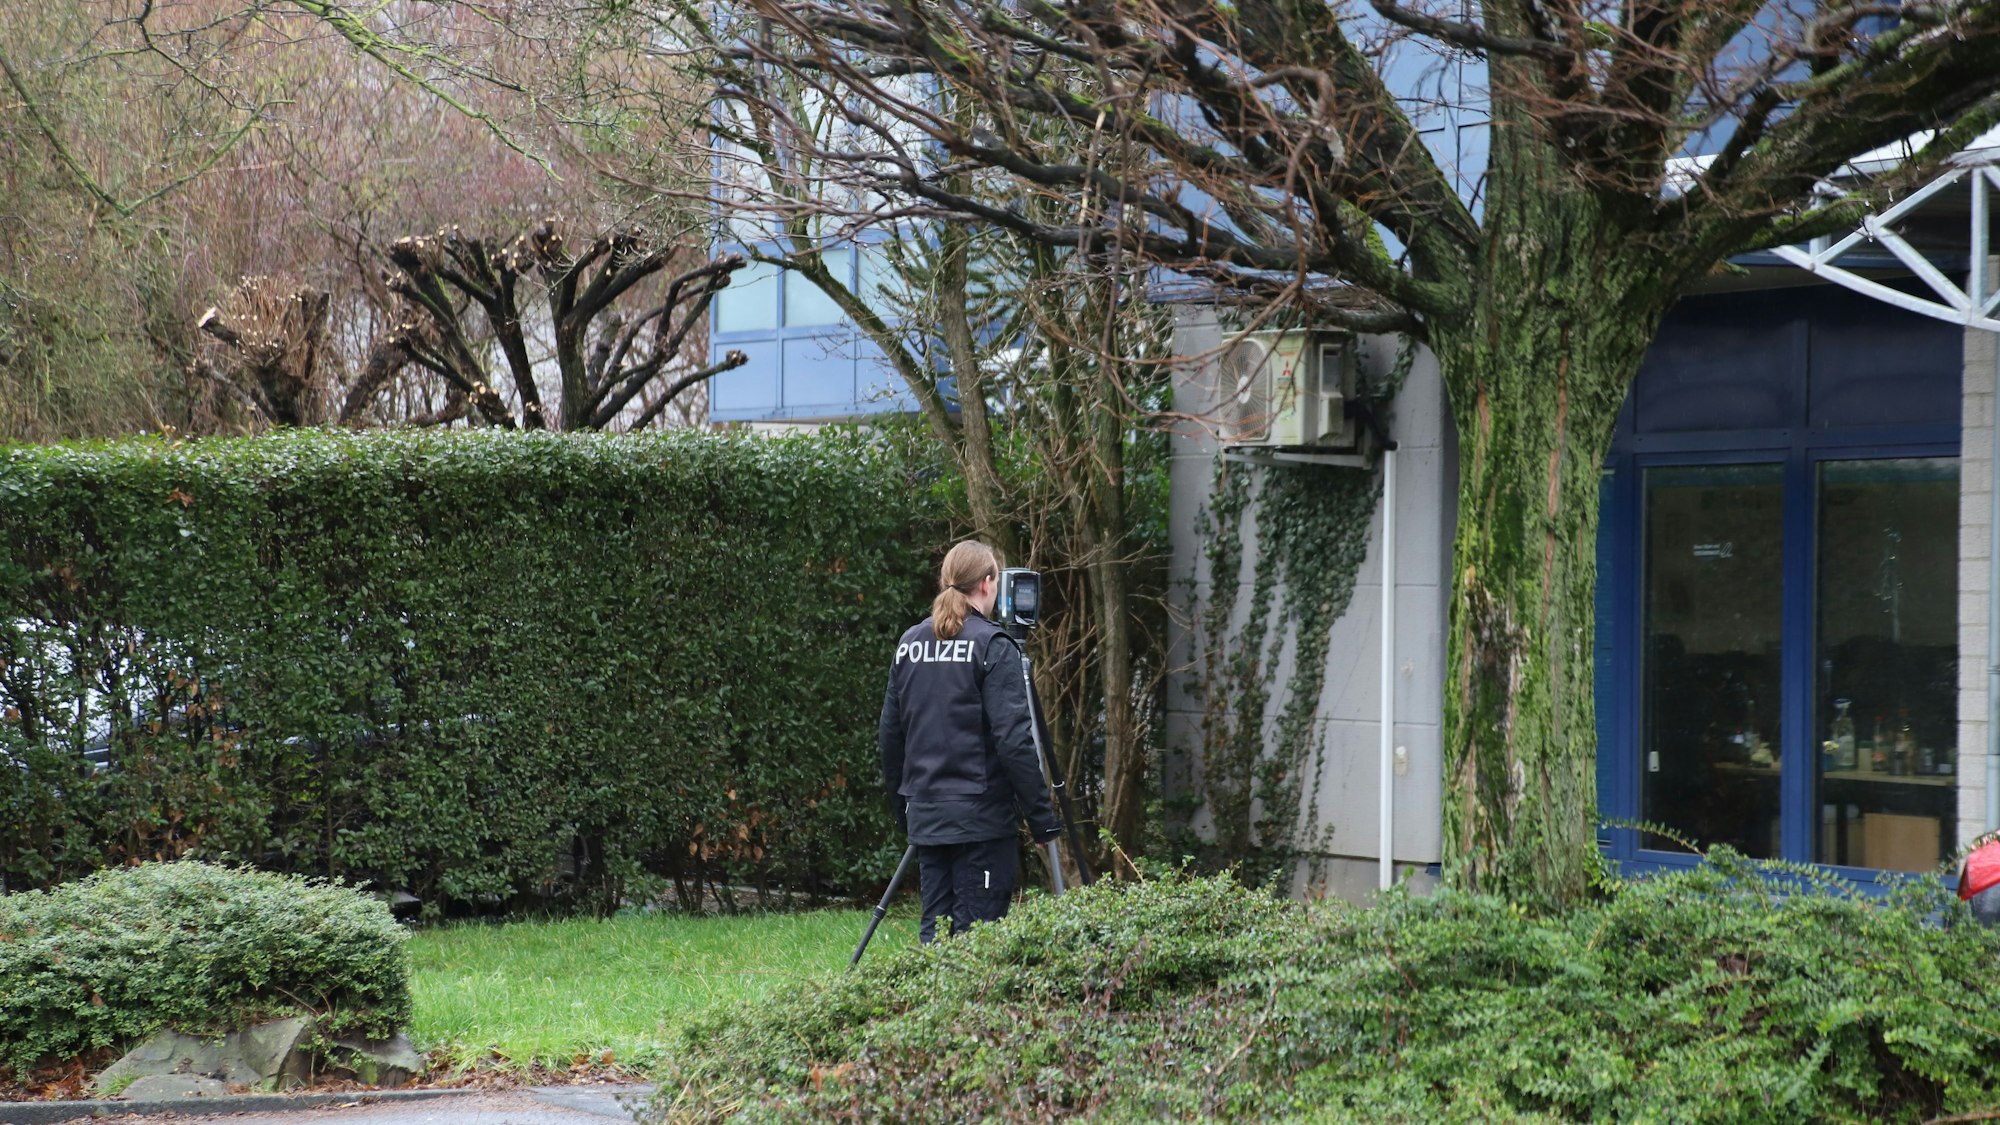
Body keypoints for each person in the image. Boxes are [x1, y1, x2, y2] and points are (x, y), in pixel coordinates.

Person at [878, 540, 1062, 942]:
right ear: (988, 582)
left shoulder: (909, 644)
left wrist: (904, 811)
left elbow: (890, 738)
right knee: (976, 938)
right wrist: (1042, 818)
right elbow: (1014, 741)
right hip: (981, 821)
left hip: (927, 814)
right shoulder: (994, 645)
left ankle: (929, 1003)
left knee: (935, 934)